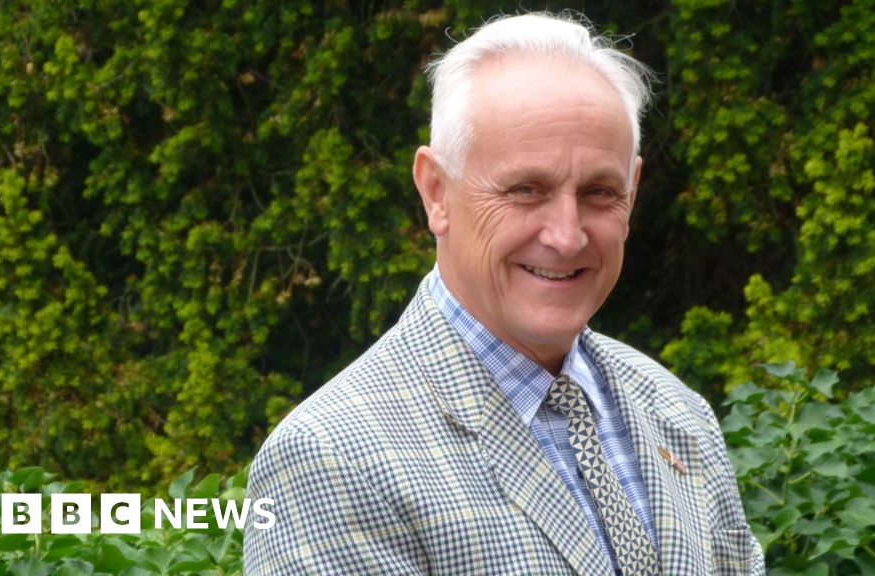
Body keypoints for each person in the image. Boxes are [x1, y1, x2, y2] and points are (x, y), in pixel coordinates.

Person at [244, 12, 764, 575]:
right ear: (436, 192)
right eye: (525, 189)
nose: (567, 235)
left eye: (599, 191)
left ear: (632, 195)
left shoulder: (677, 412)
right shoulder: (333, 458)